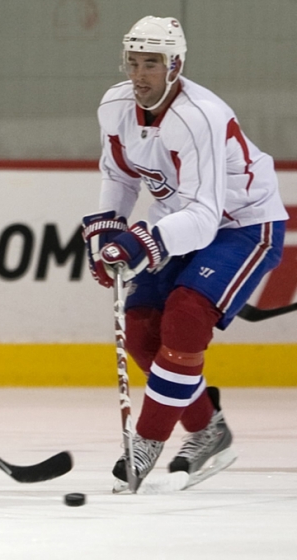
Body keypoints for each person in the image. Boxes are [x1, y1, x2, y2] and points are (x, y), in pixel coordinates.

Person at [82, 17, 288, 492]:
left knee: (185, 315)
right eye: (133, 62)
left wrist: (138, 242)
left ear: (176, 65)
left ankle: (148, 439)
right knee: (140, 332)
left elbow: (206, 213)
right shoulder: (115, 104)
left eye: (151, 63)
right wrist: (108, 233)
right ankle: (208, 430)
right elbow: (120, 176)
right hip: (183, 217)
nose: (139, 74)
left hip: (244, 225)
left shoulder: (199, 116)